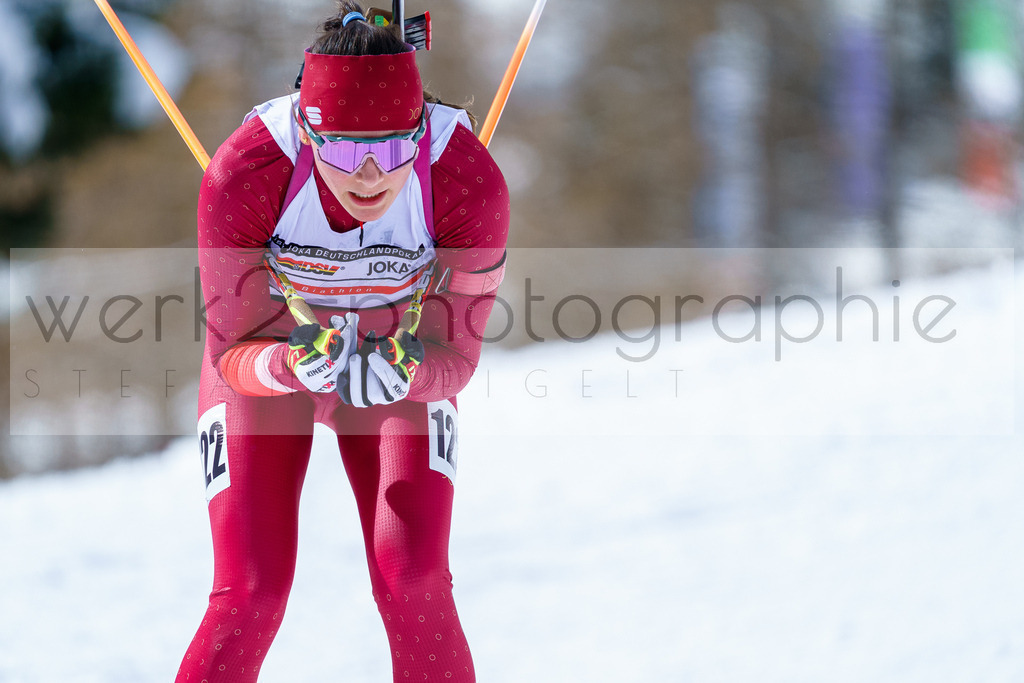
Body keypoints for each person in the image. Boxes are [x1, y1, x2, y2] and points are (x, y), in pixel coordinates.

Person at [177, 2, 508, 681]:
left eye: (393, 148)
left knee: (414, 580)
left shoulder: (466, 179)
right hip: (271, 363)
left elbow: (457, 357)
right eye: (347, 151)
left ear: (419, 130)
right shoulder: (247, 170)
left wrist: (410, 371)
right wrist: (287, 363)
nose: (371, 176)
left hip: (393, 356)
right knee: (249, 592)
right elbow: (229, 353)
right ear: (308, 129)